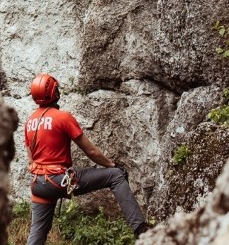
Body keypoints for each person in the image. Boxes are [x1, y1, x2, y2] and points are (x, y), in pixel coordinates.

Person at [24, 73, 149, 245]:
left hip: (38, 184)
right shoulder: (63, 117)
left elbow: (31, 159)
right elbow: (91, 151)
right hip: (59, 180)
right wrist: (112, 165)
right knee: (116, 176)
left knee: (37, 232)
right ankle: (142, 231)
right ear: (54, 92)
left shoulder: (30, 122)